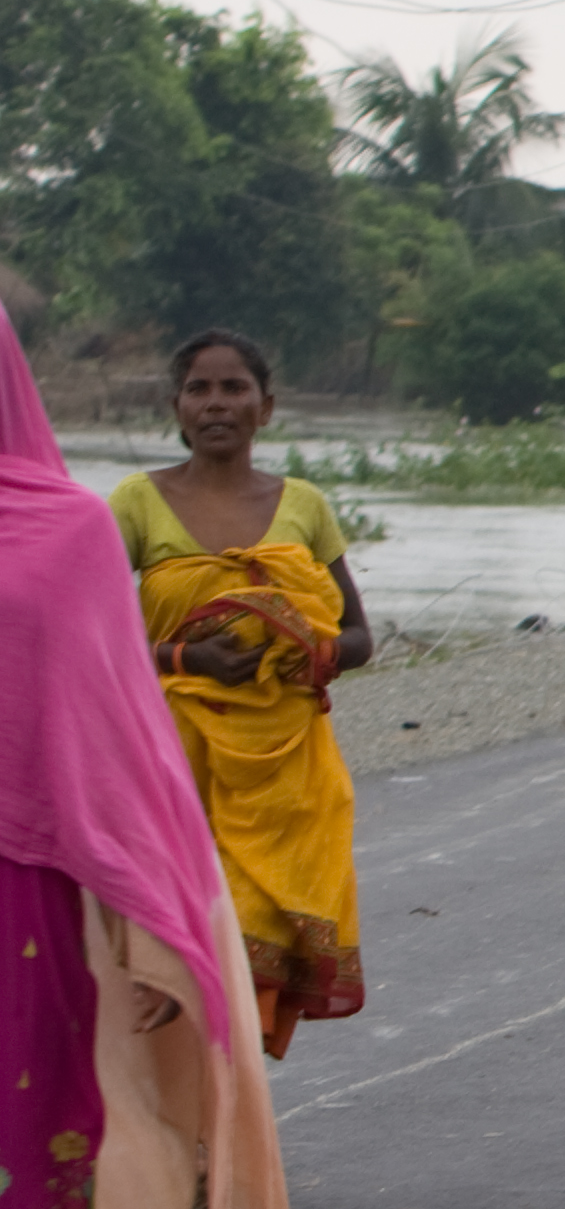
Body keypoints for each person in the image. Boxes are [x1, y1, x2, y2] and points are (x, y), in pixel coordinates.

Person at [2, 307, 294, 1209]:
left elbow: (120, 746)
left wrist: (158, 934)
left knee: (25, 1188)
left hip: (31, 910)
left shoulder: (69, 534)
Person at [108, 330, 375, 1059]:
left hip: (286, 774)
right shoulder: (137, 502)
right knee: (176, 948)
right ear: (176, 406)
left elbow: (359, 636)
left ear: (267, 407)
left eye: (234, 388)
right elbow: (89, 635)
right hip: (174, 764)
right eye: (199, 389)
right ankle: (182, 1116)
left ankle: (229, 1115)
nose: (217, 403)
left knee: (247, 958)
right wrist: (186, 656)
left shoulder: (304, 506)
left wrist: (313, 651)